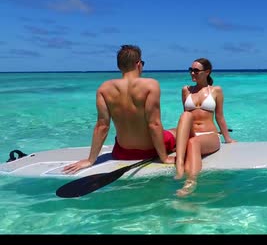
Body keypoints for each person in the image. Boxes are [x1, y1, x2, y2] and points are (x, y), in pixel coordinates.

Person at [63, 45, 193, 175]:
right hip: (150, 149)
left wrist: (90, 160)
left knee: (170, 131)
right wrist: (164, 157)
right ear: (138, 64)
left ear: (119, 66)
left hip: (122, 152)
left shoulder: (104, 88)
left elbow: (102, 126)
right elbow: (154, 124)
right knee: (177, 131)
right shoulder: (150, 85)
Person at [172, 57, 236, 196]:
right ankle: (180, 167)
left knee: (193, 142)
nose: (192, 73)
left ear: (207, 72)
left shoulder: (216, 91)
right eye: (191, 70)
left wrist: (228, 138)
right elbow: (185, 118)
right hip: (191, 133)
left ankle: (191, 182)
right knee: (185, 116)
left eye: (196, 70)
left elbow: (219, 116)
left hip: (209, 135)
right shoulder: (186, 90)